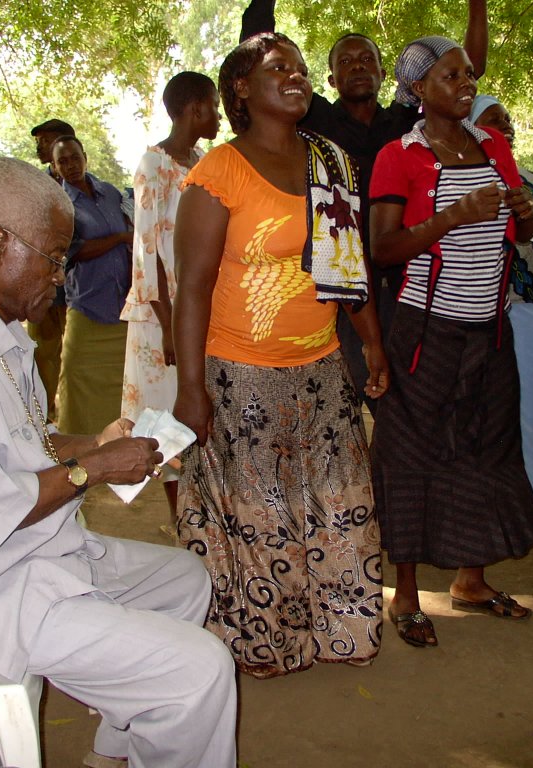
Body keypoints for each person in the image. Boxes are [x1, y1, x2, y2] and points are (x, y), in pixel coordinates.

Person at [0, 157, 237, 768]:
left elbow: (26, 442)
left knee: (184, 582)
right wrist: (92, 469)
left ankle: (113, 754)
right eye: (54, 257)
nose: (61, 276)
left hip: (36, 558)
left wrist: (96, 441)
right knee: (200, 672)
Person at [173, 32, 388, 678]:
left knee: (338, 503)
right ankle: (267, 641)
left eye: (299, 68)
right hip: (241, 376)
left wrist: (372, 344)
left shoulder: (331, 160)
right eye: (277, 68)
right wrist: (191, 388)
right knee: (262, 519)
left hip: (321, 368)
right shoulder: (219, 173)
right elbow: (191, 288)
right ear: (241, 88)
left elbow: (348, 271)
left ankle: (342, 633)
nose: (296, 76)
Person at [369, 37, 533, 649]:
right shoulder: (400, 156)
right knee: (414, 452)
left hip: (489, 328)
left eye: (468, 74)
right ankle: (408, 595)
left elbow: (520, 231)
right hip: (427, 331)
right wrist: (450, 217)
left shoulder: (493, 145)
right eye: (451, 75)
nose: (466, 83)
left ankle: (471, 581)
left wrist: (522, 212)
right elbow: (383, 249)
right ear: (419, 90)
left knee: (485, 447)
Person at [239, 0, 487, 412]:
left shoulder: (405, 123)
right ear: (332, 79)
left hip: (411, 290)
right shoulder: (315, 119)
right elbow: (257, 52)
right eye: (347, 62)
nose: (357, 67)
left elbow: (462, 71)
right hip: (345, 296)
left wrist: (477, 8)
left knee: (419, 407)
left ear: (383, 74)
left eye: (366, 59)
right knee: (367, 401)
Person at [120, 72, 221, 531]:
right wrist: (168, 324)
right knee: (165, 422)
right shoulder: (153, 164)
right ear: (195, 108)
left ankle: (200, 521)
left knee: (197, 416)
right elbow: (146, 249)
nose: (218, 115)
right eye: (214, 106)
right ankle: (184, 526)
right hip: (163, 314)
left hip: (196, 310)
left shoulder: (201, 162)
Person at [470, 94, 533, 515]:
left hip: (525, 306)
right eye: (493, 119)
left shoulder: (530, 180)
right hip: (473, 313)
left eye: (507, 118)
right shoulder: (456, 176)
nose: (505, 126)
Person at [53, 135, 134, 435]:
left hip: (122, 310)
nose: (70, 166)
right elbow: (74, 250)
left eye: (75, 157)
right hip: (86, 308)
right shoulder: (60, 204)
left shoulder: (111, 193)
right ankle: (78, 452)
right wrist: (120, 239)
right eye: (63, 161)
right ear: (54, 166)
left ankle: (122, 449)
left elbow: (132, 233)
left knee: (125, 384)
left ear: (85, 156)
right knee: (76, 380)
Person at [27, 118, 76, 422]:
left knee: (72, 357)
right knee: (42, 353)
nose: (39, 147)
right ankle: (44, 420)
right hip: (42, 284)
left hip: (76, 290)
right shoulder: (34, 186)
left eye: (45, 140)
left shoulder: (86, 187)